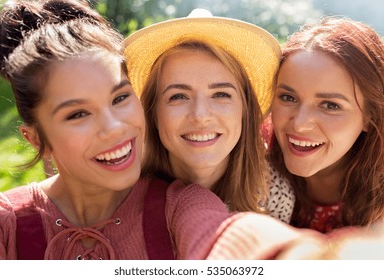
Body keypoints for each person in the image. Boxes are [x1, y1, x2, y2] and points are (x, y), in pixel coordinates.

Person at [0, 0, 326, 260]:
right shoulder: (4, 220)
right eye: (78, 113)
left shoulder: (181, 202)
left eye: (120, 97)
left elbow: (224, 236)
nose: (113, 128)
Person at [124, 9, 295, 223]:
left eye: (220, 94)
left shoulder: (274, 196)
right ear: (153, 114)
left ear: (245, 110)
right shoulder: (122, 198)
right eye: (178, 96)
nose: (200, 115)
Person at [268, 16, 384, 233]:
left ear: (370, 117)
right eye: (288, 98)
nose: (300, 124)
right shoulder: (251, 156)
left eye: (330, 105)